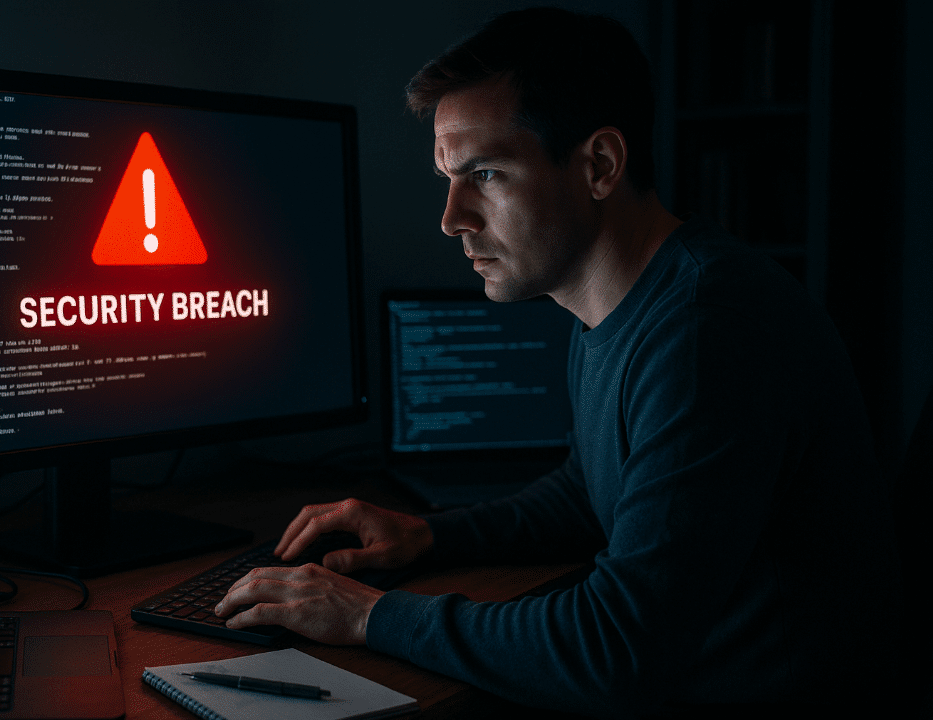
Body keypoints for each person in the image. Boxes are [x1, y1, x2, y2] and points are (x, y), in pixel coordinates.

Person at [214, 8, 901, 716]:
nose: (452, 218)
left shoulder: (705, 329)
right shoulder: (617, 300)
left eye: (485, 173)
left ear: (599, 165)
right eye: (449, 178)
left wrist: (367, 616)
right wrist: (428, 533)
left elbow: (614, 649)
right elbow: (588, 489)